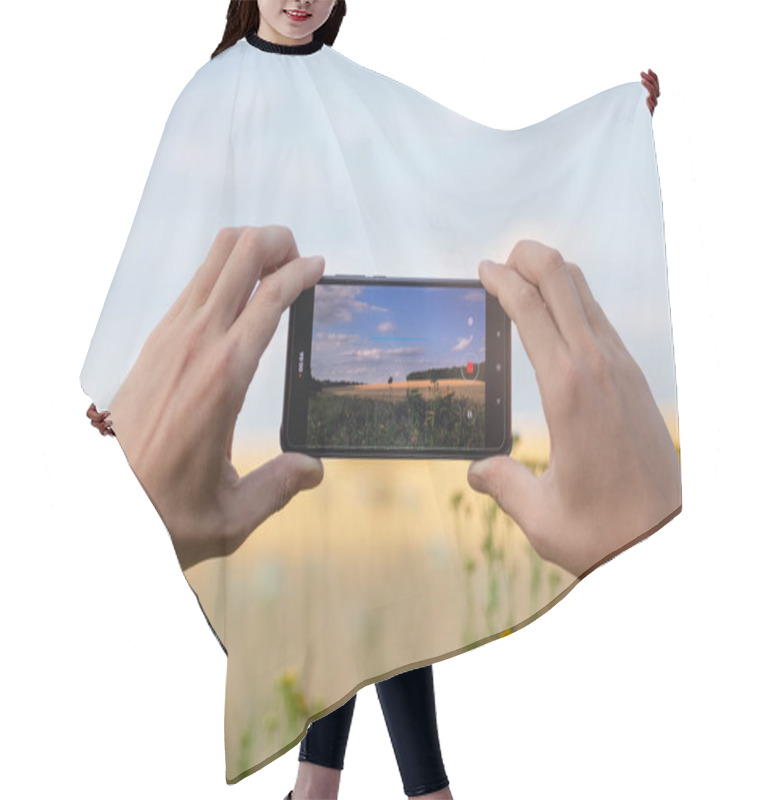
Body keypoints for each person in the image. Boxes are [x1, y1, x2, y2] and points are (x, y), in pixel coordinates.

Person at [84, 3, 666, 797]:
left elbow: (459, 167)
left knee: (375, 580)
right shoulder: (212, 92)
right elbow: (172, 233)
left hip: (355, 369)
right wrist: (125, 383)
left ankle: (337, 788)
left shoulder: (352, 88)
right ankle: (387, 788)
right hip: (263, 404)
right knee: (339, 585)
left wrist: (611, 123)